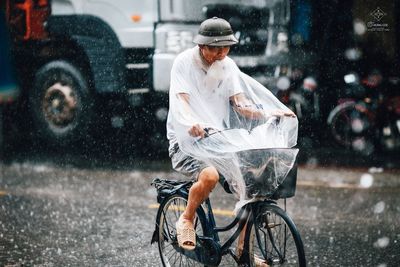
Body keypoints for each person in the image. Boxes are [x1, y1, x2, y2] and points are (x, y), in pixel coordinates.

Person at [166, 17, 295, 264]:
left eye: (226, 47)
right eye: (215, 47)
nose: (221, 53)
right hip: (187, 141)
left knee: (253, 184)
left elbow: (241, 105)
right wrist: (190, 122)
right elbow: (180, 100)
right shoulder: (183, 63)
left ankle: (243, 250)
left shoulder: (227, 65)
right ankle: (186, 219)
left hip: (218, 141)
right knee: (210, 176)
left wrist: (271, 113)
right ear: (202, 46)